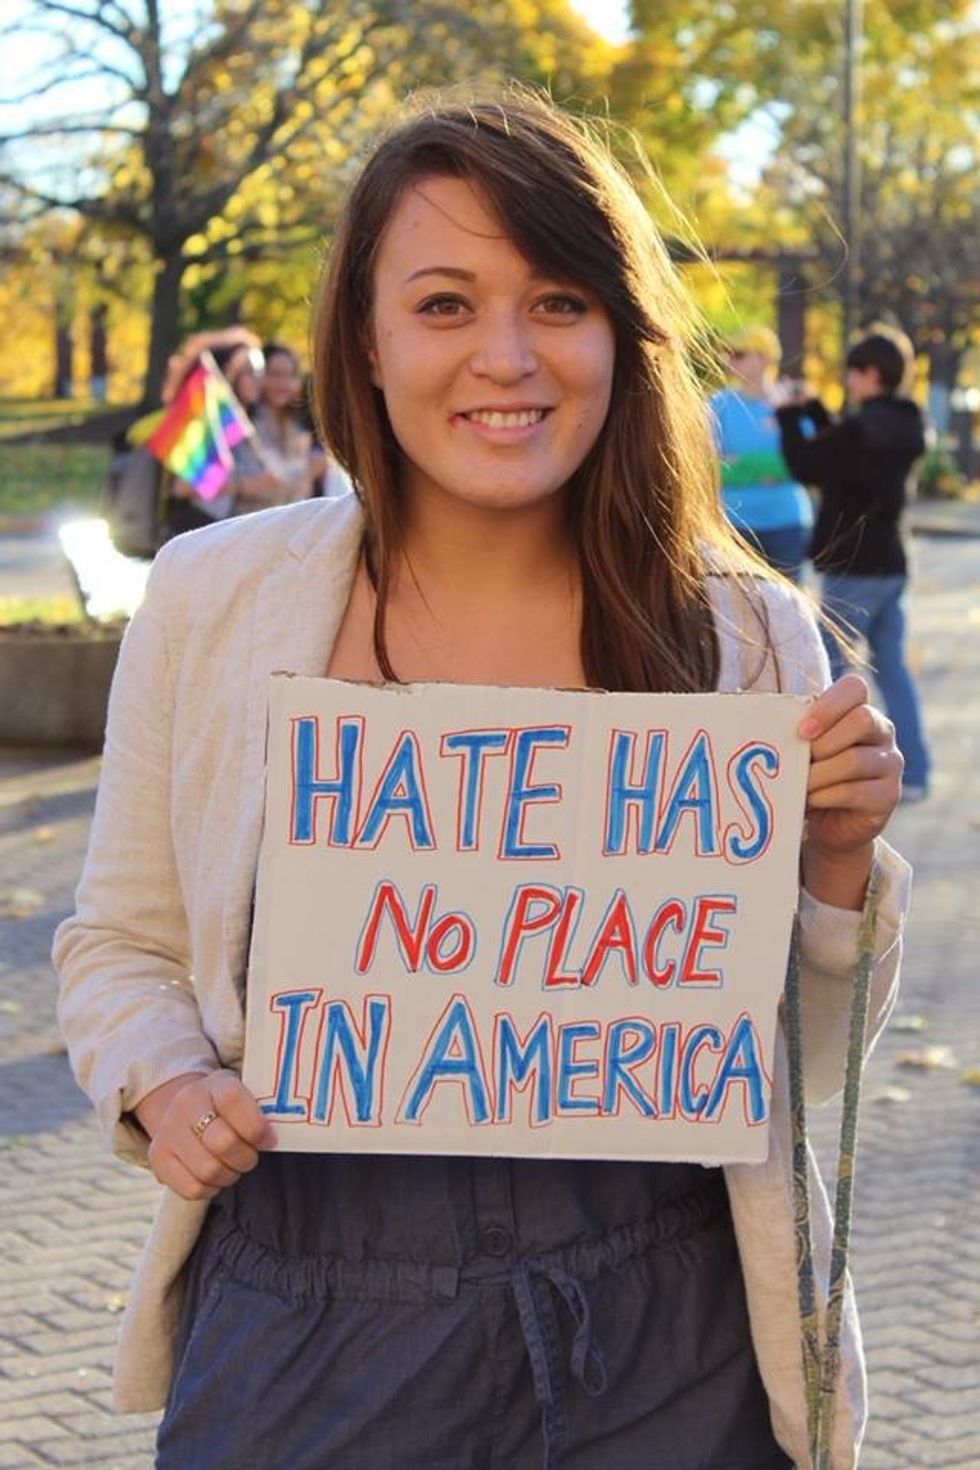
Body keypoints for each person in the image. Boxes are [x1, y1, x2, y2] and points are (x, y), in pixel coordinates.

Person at [54, 91, 910, 1470]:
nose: (505, 357)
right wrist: (161, 1081)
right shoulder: (218, 600)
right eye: (445, 304)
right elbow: (117, 943)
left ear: (622, 340)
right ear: (368, 344)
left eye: (559, 301)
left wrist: (832, 867)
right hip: (313, 1318)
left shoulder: (748, 631)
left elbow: (802, 1060)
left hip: (671, 1324)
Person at [776, 328, 931, 800]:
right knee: (893, 667)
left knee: (828, 667)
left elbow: (808, 462)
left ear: (869, 374)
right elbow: (841, 444)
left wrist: (788, 415)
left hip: (854, 565)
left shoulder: (862, 429)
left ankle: (836, 777)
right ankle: (917, 773)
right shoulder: (908, 424)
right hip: (891, 563)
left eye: (853, 373)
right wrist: (816, 410)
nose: (849, 381)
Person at [709, 326, 814, 582]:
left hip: (787, 526)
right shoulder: (717, 405)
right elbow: (704, 467)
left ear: (764, 359)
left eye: (739, 354)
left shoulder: (792, 404)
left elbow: (806, 463)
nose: (729, 360)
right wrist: (770, 468)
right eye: (729, 353)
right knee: (737, 615)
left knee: (788, 613)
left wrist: (739, 465)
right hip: (734, 527)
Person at [162, 331, 265, 538]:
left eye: (260, 371)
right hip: (196, 532)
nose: (259, 380)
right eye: (251, 372)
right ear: (228, 372)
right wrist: (248, 486)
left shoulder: (243, 420)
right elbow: (182, 488)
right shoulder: (206, 421)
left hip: (217, 531)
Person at [232, 342, 323, 511]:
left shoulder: (298, 427)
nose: (283, 383)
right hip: (250, 523)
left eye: (290, 375)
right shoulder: (245, 424)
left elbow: (301, 490)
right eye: (275, 374)